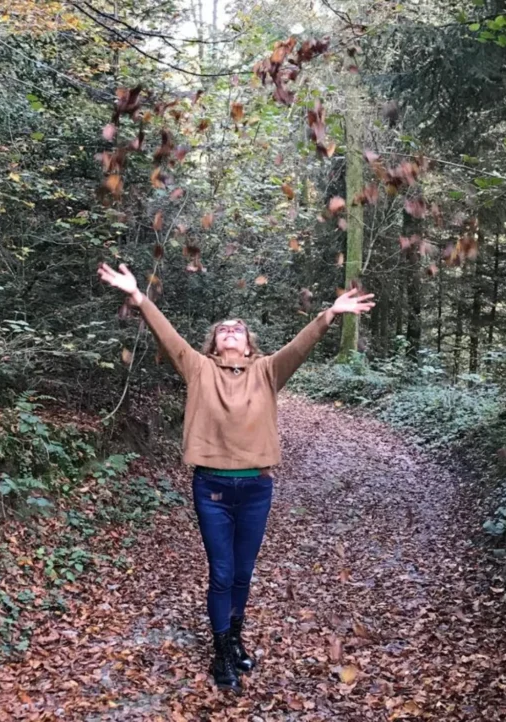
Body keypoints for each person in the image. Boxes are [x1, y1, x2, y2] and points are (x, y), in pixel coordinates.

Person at [97, 262, 374, 692]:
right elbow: (167, 336)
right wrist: (138, 297)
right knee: (222, 572)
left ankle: (234, 638)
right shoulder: (198, 368)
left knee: (243, 572)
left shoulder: (267, 371)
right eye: (223, 329)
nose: (230, 331)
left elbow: (299, 347)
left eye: (238, 329)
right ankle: (221, 651)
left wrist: (330, 315)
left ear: (248, 344)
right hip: (212, 488)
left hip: (256, 488)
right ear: (214, 343)